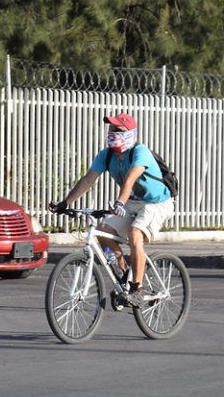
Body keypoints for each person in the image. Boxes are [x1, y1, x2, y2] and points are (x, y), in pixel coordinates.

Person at [48, 113, 174, 306]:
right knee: (103, 233)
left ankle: (137, 289)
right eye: (111, 129)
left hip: (156, 202)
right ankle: (124, 274)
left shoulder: (140, 152)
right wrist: (65, 203)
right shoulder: (106, 155)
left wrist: (119, 203)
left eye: (118, 130)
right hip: (132, 201)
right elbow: (88, 180)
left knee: (135, 234)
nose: (112, 133)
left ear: (131, 134)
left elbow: (130, 180)